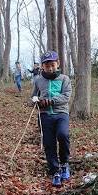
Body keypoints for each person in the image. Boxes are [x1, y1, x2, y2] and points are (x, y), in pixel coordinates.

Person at [31, 50, 72, 187]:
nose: (50, 68)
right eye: (47, 65)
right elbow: (33, 97)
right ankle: (55, 171)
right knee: (49, 143)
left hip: (61, 114)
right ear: (42, 66)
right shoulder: (38, 80)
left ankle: (65, 163)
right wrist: (35, 101)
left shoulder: (64, 79)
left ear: (58, 64)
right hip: (44, 115)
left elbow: (66, 96)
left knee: (63, 135)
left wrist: (51, 101)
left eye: (53, 65)